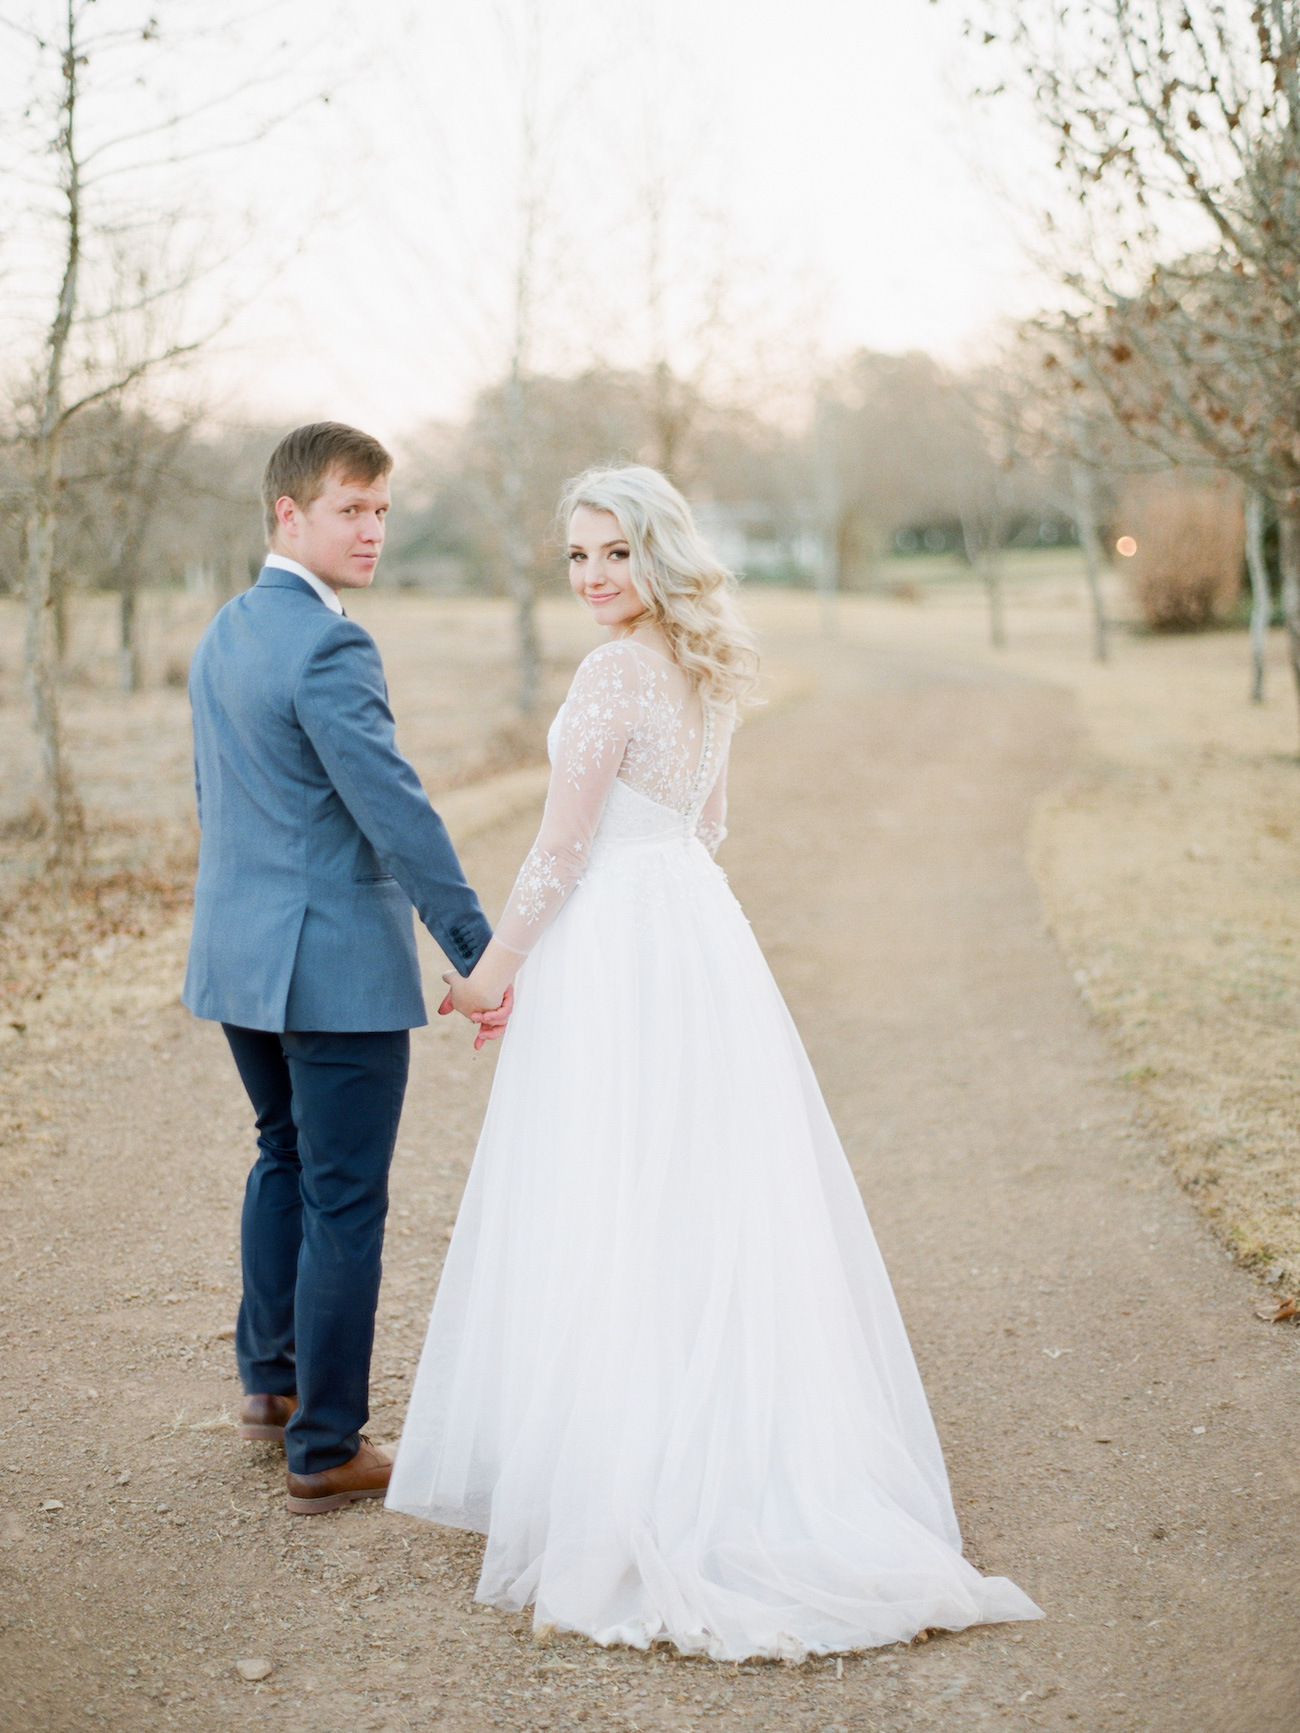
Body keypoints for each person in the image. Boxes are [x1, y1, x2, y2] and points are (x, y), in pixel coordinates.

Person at [386, 464, 1042, 1659]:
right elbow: (710, 824)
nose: (591, 577)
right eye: (577, 556)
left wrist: (496, 970)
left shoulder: (609, 672)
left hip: (621, 943)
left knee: (617, 1187)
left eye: (613, 554)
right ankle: (727, 1447)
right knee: (698, 1187)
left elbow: (559, 845)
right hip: (694, 931)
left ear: (658, 555)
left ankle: (635, 1473)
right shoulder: (710, 665)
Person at [183, 422, 509, 1517]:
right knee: (343, 1192)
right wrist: (480, 947)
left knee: (282, 1153)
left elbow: (218, 799)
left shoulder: (226, 630)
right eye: (348, 509)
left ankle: (270, 1385)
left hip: (240, 955)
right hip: (327, 966)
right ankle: (326, 1442)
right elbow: (395, 810)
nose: (372, 528)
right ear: (289, 513)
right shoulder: (329, 644)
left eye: (380, 508)